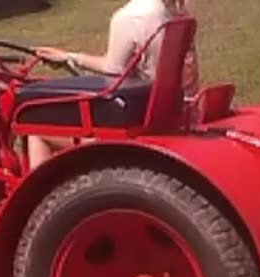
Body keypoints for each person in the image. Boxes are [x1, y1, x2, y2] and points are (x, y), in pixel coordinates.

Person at [25, 0, 199, 169]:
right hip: (171, 112)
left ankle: (42, 196)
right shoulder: (176, 12)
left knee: (36, 132)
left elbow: (113, 70)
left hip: (140, 122)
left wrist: (70, 57)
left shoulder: (129, 16)